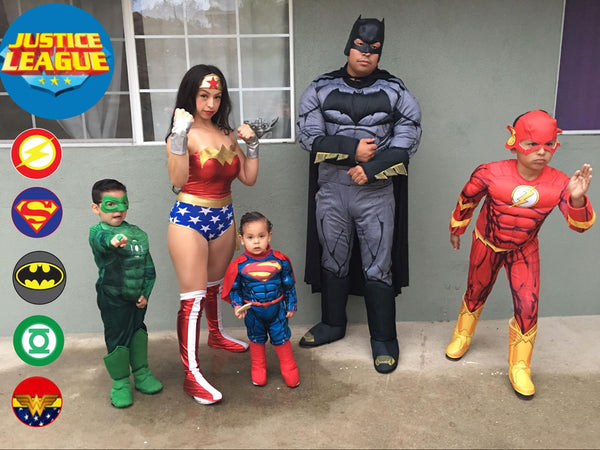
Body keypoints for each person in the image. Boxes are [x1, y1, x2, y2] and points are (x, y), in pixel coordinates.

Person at [296, 15, 422, 373]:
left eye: (375, 49)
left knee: (378, 265)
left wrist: (371, 167)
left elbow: (409, 138)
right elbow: (308, 136)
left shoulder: (397, 91)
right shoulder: (320, 87)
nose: (366, 54)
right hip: (332, 189)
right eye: (360, 46)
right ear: (349, 46)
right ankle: (334, 324)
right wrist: (353, 150)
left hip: (376, 190)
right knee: (332, 257)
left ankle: (384, 338)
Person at [446, 110, 595, 399]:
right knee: (476, 292)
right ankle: (462, 334)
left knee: (528, 305)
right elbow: (467, 198)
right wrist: (457, 227)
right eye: (532, 144)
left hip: (524, 249)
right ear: (514, 142)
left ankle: (520, 365)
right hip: (487, 243)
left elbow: (580, 225)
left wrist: (577, 198)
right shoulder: (490, 172)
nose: (541, 152)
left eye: (549, 145)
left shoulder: (560, 182)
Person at [166, 64, 259, 405]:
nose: (210, 103)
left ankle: (217, 335)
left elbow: (248, 178)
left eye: (217, 96)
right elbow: (176, 179)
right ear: (190, 95)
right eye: (204, 95)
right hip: (190, 217)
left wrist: (252, 144)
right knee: (191, 301)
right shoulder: (184, 132)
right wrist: (177, 135)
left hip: (223, 215)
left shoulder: (227, 133)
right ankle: (191, 375)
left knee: (213, 287)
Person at [89, 179, 163, 408]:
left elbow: (148, 268)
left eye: (123, 203)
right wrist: (112, 241)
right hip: (112, 297)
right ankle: (120, 383)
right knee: (118, 337)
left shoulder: (137, 233)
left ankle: (141, 374)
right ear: (96, 207)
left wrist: (145, 293)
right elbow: (101, 242)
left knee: (138, 333)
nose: (118, 209)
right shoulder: (97, 232)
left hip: (137, 298)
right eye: (111, 204)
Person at [222, 211, 300, 388]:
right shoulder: (239, 266)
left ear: (269, 236)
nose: (256, 241)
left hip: (277, 309)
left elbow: (289, 285)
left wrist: (292, 304)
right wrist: (237, 306)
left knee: (281, 338)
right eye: (250, 237)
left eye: (261, 236)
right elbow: (234, 290)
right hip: (253, 312)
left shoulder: (281, 261)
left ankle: (290, 368)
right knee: (256, 340)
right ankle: (258, 369)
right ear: (242, 239)